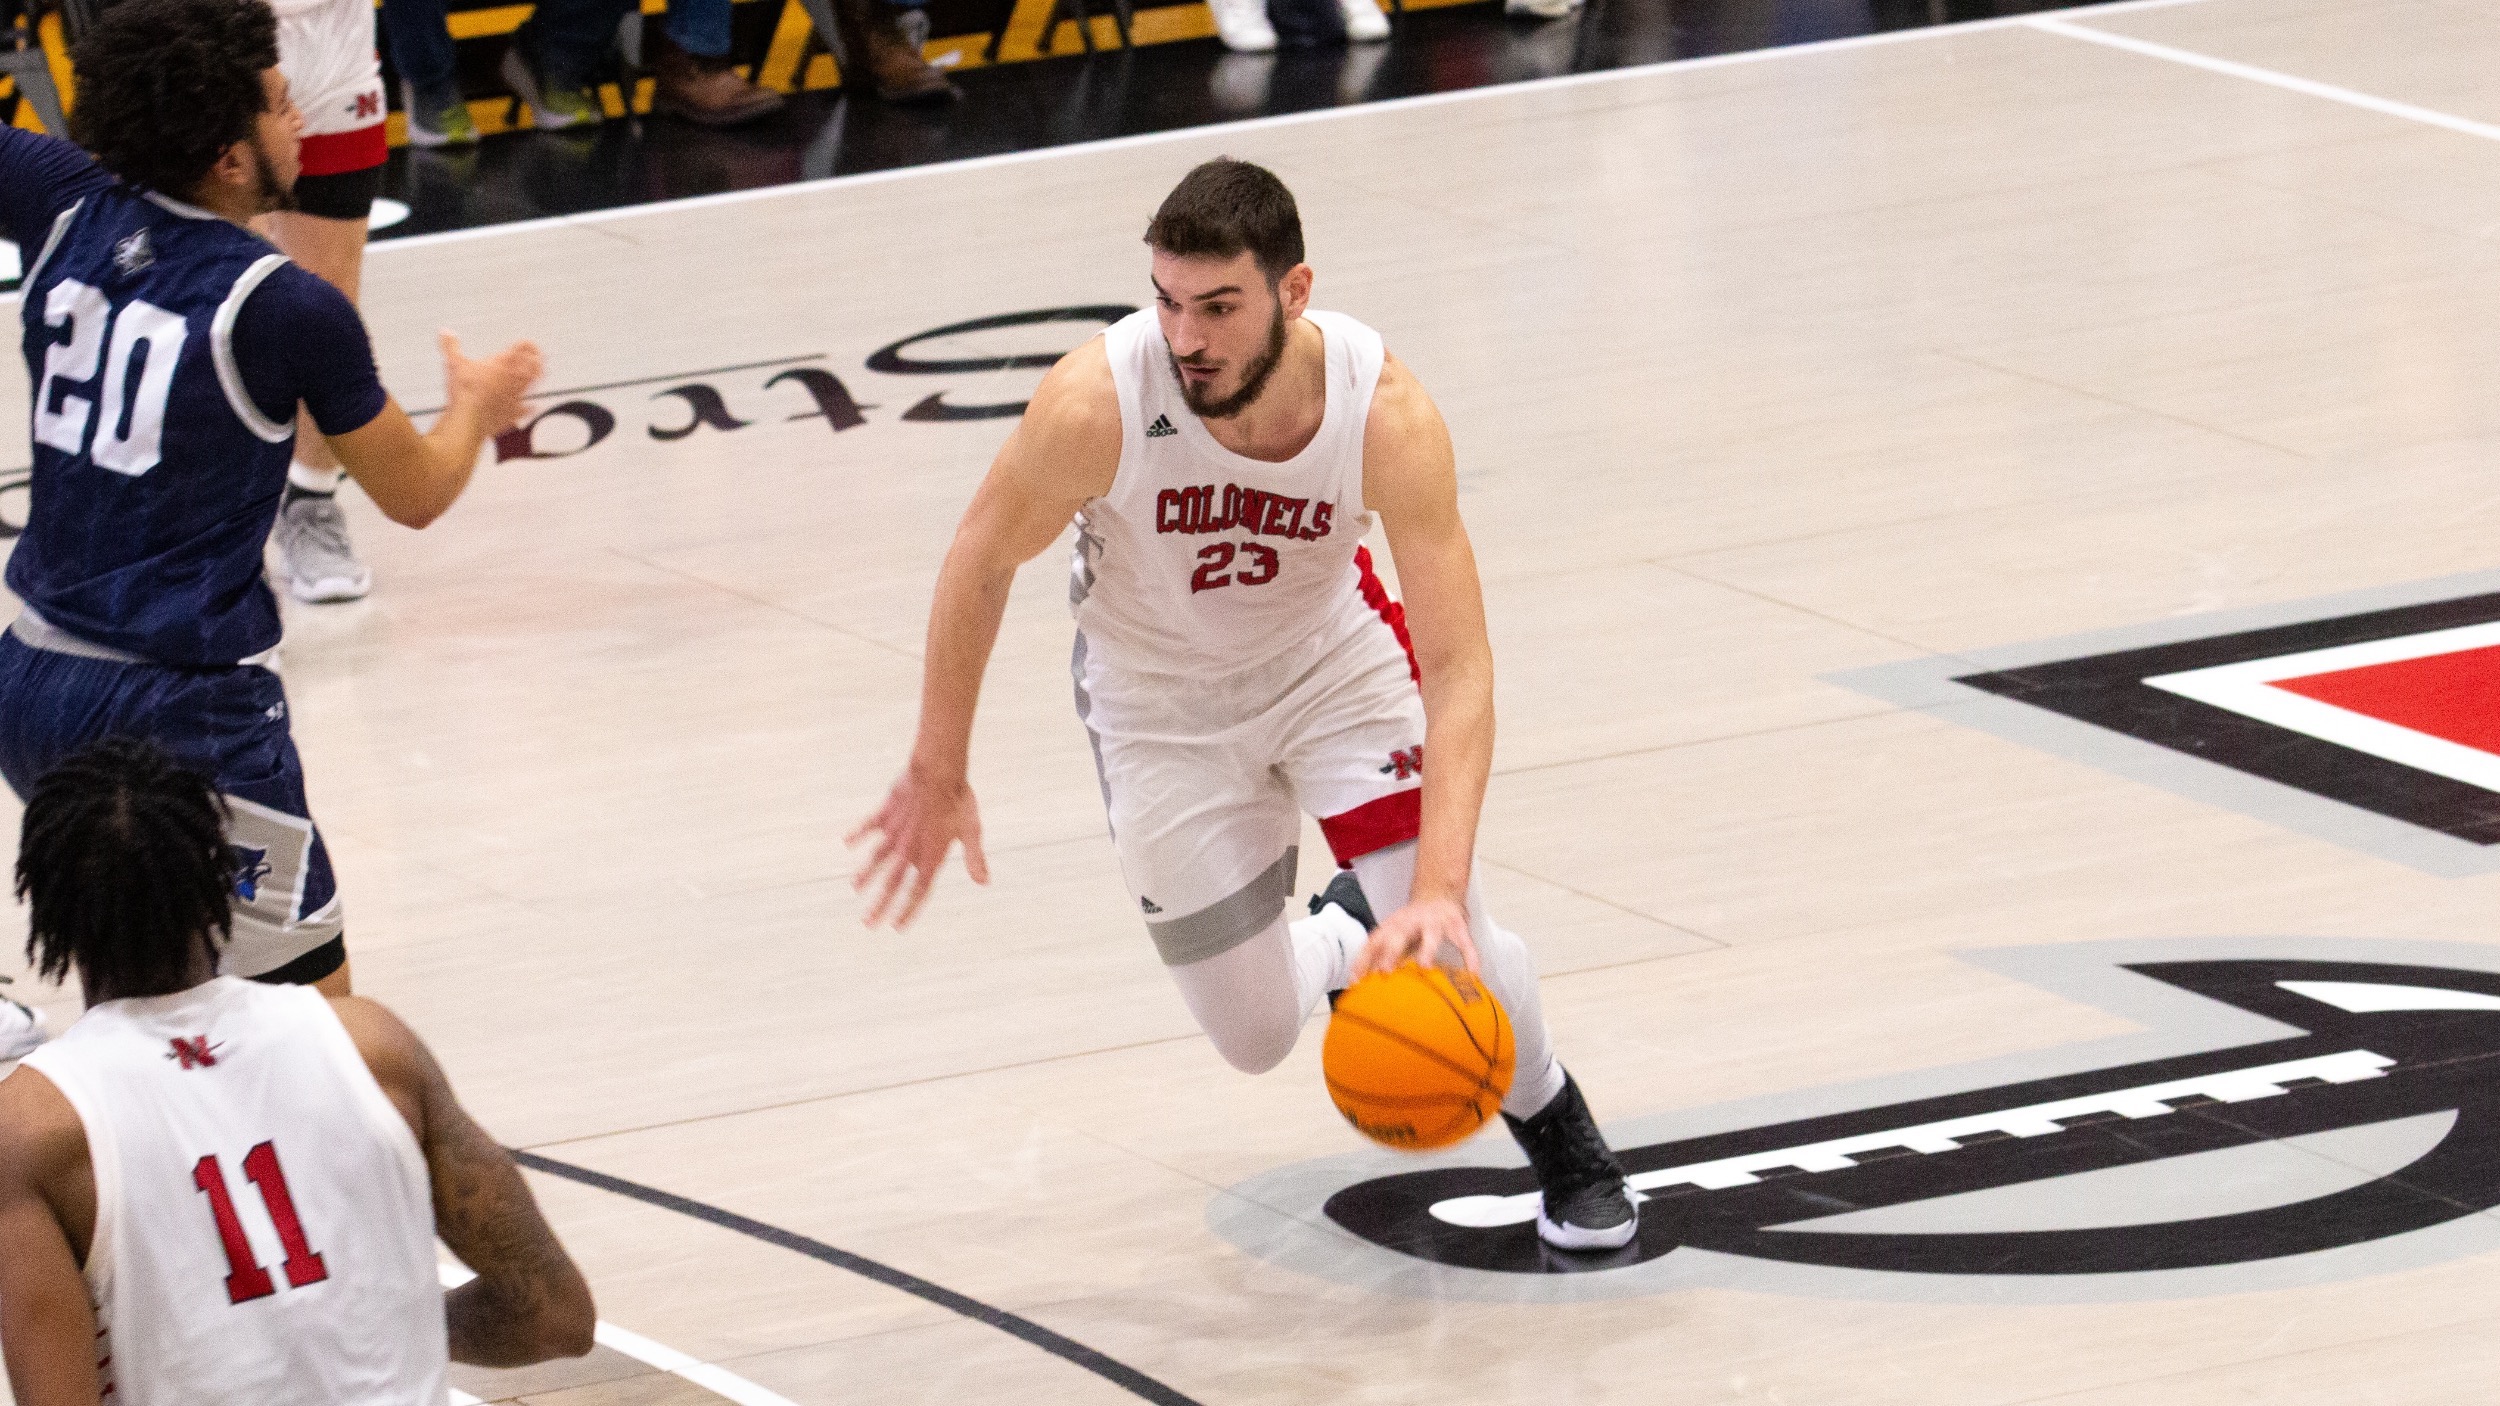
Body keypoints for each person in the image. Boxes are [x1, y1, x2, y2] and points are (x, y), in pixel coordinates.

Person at [850, 158, 1637, 1252]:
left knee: (1454, 936)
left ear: (1293, 291)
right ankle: (1343, 929)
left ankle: (1559, 1126)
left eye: (1218, 306)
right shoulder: (1098, 402)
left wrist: (1443, 889)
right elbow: (979, 557)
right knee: (1256, 1033)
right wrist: (939, 764)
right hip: (1158, 707)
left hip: (1331, 668)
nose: (1187, 338)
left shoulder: (1384, 412)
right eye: (1168, 302)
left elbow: (1458, 666)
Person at [0, 0, 542, 1002]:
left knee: (147, 1006)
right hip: (181, 706)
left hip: (31, 684)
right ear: (232, 157)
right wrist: (475, 406)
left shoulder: (61, 199)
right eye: (283, 108)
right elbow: (417, 492)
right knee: (317, 1030)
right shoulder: (286, 305)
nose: (303, 125)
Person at [0, 738, 597, 1406]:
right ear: (219, 885)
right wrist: (383, 1324)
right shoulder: (374, 1048)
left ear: (48, 914)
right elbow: (555, 1315)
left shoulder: (33, 1128)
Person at [262, 0, 394, 603]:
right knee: (214, 295)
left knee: (324, 306)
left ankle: (310, 499)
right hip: (215, 45)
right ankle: (216, 514)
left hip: (332, 57)